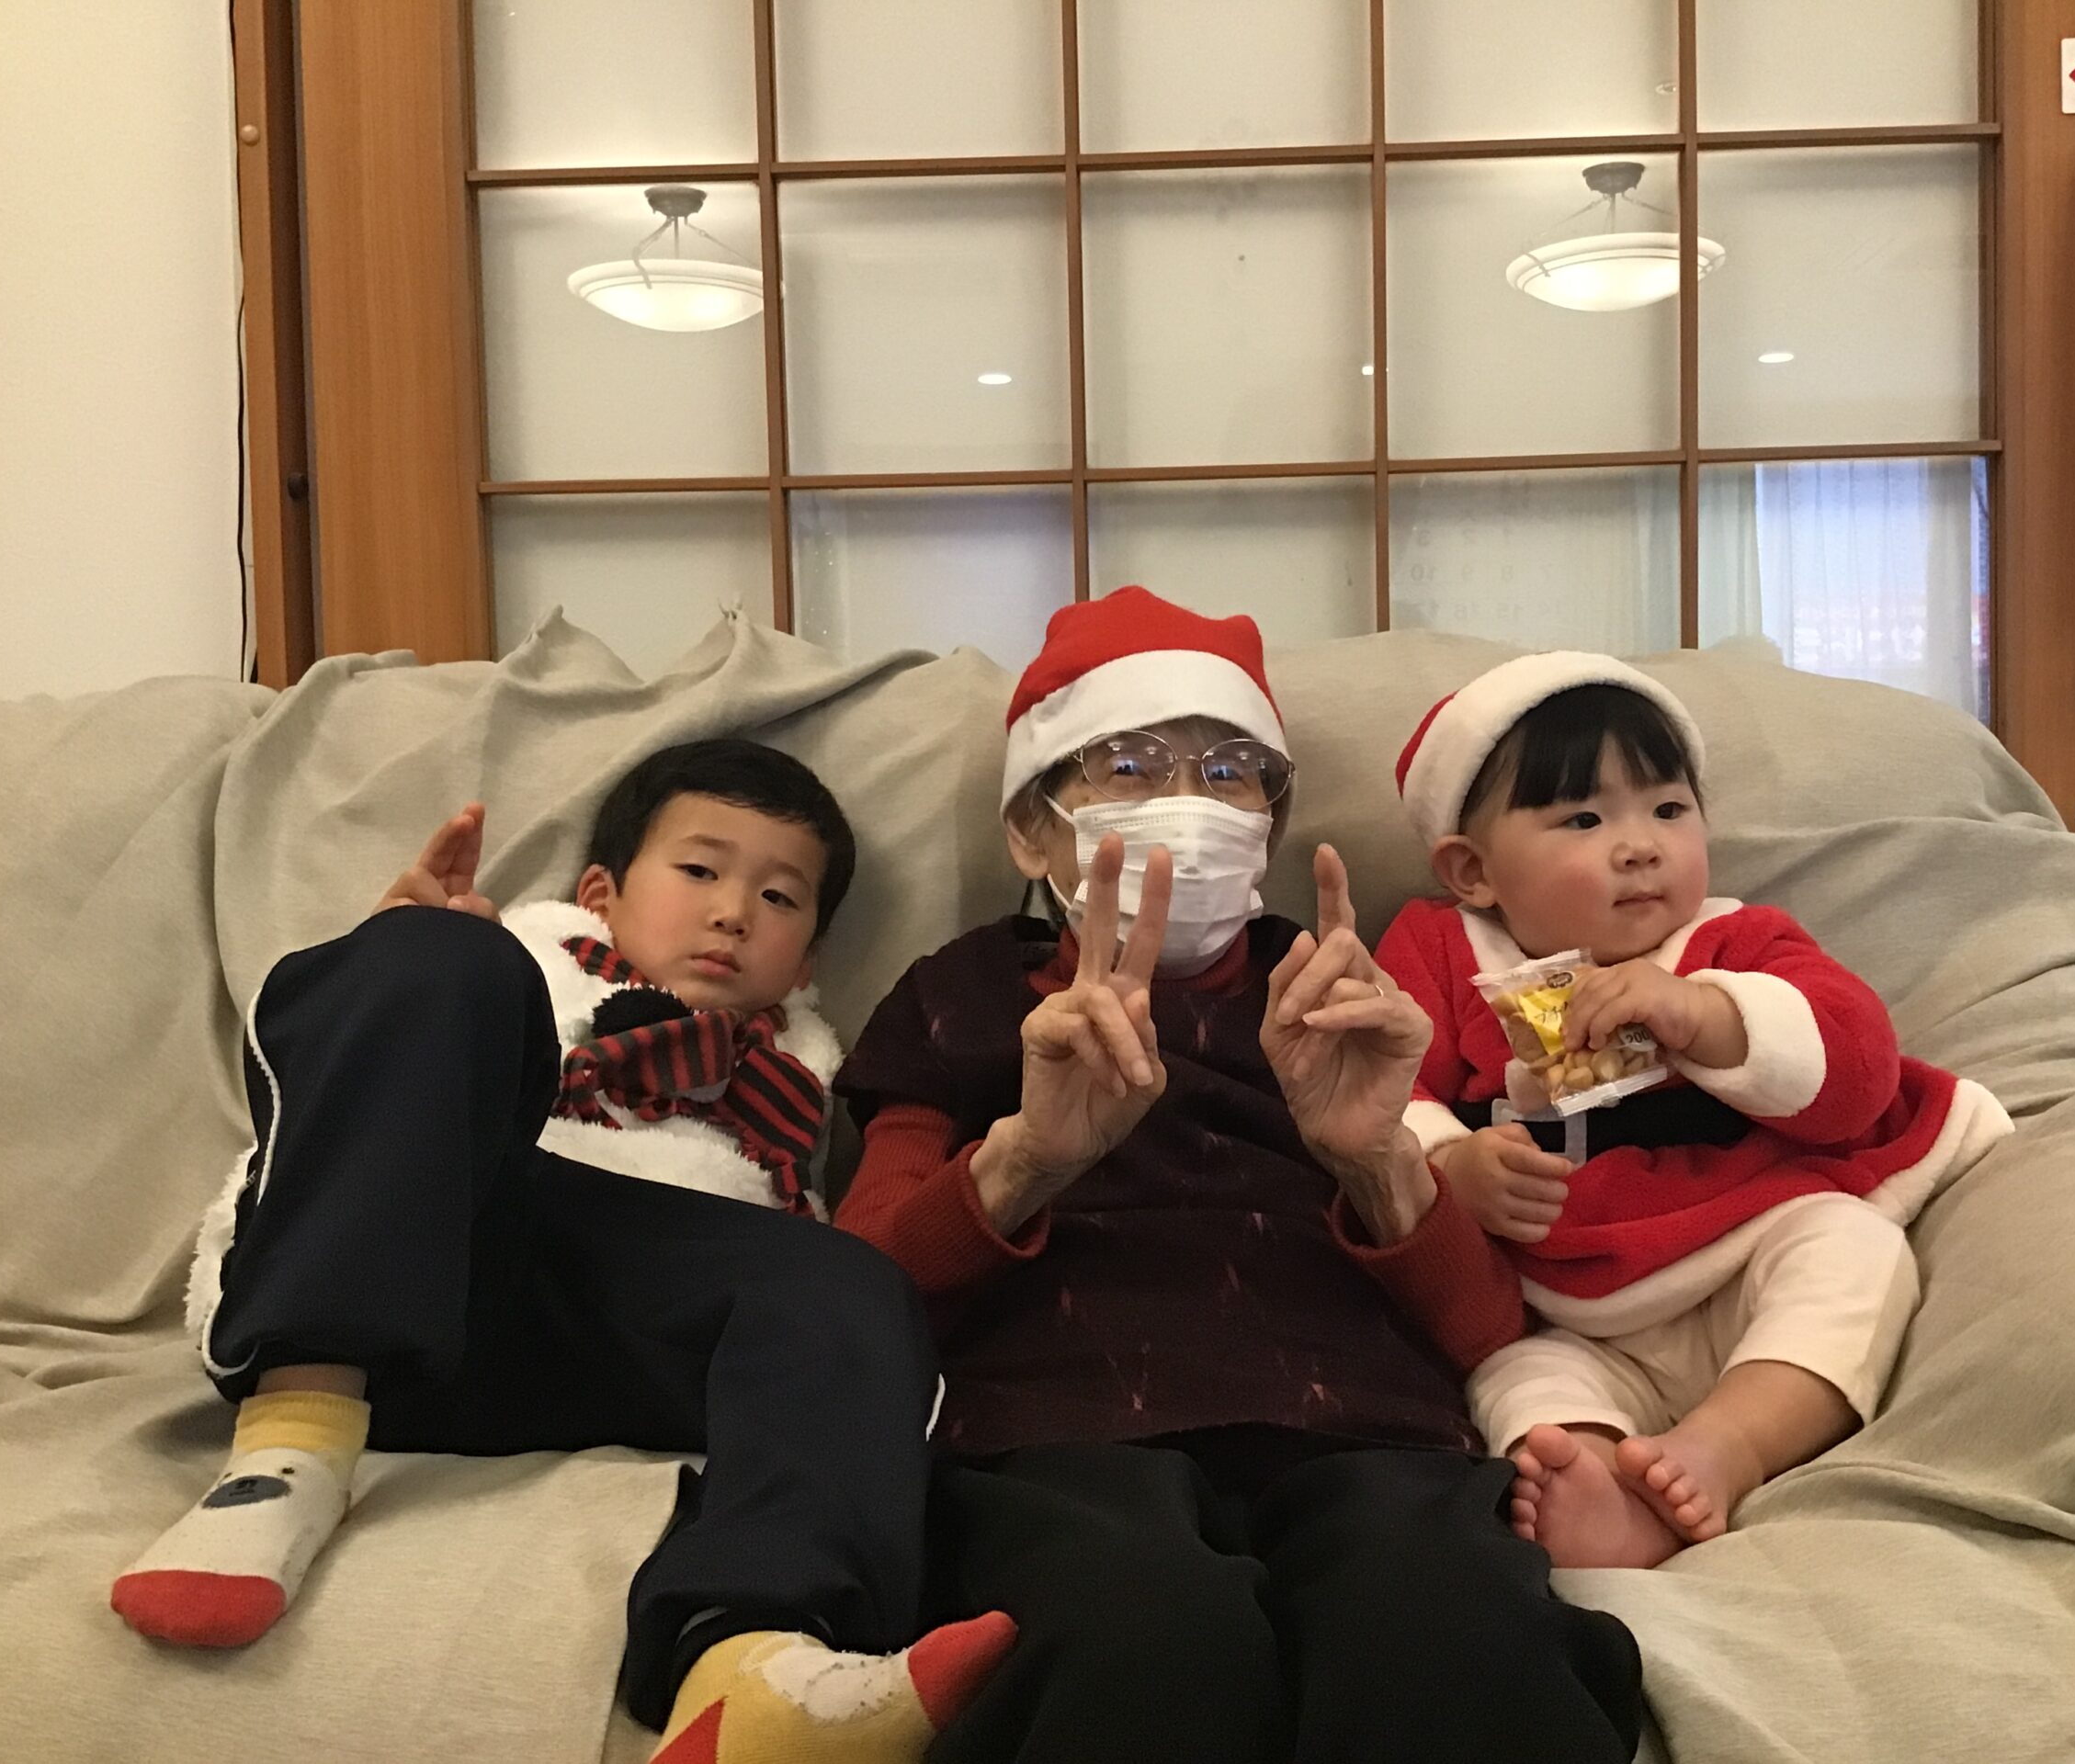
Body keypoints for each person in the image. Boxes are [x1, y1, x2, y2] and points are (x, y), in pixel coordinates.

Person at [833, 587, 1645, 1764]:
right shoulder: (957, 998)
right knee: (1148, 1640)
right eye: (1127, 766)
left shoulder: (1342, 993)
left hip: (1366, 1435)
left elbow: (1482, 1329)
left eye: (1229, 772)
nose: (1189, 804)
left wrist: (1375, 1158)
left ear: (1270, 824)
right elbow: (855, 1297)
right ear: (1028, 832)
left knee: (1450, 1634)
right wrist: (1026, 1159)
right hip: (1056, 1437)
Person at [112, 737, 1014, 1764]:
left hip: (621, 1333)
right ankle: (289, 1452)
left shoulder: (800, 1071)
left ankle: (753, 1662)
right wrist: (401, 956)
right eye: (699, 870)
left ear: (806, 960)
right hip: (431, 1266)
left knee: (850, 1283)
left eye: (779, 898)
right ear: (600, 893)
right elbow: (363, 1100)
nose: (733, 912)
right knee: (429, 957)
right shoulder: (521, 963)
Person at [1377, 653, 2013, 1569]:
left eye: (1669, 810)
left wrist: (1709, 1017)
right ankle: (1600, 1486)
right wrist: (1450, 1166)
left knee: (1852, 1251)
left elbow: (1859, 1063)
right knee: (1517, 1378)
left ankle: (1728, 1445)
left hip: (1746, 1253)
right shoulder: (1437, 952)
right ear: (1472, 870)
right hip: (1570, 1308)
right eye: (1585, 819)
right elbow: (1386, 1087)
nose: (1641, 846)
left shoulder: (1730, 939)